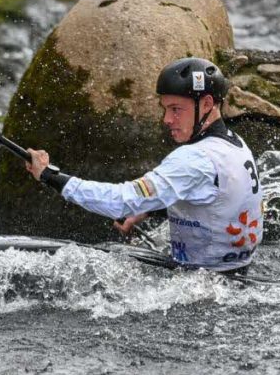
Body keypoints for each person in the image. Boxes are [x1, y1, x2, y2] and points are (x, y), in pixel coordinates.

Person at [24, 57, 264, 273]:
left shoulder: (194, 159)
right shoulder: (234, 144)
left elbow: (120, 201)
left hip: (201, 283)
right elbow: (213, 199)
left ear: (207, 103)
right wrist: (148, 209)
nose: (167, 119)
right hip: (237, 271)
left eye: (176, 109)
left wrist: (49, 175)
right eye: (165, 109)